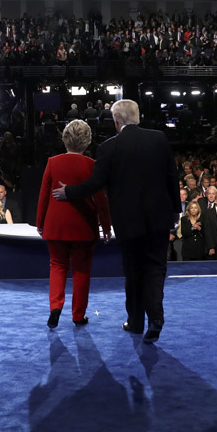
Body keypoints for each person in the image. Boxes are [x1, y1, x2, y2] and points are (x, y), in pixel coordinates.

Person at [53, 99, 180, 343]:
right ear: (137, 117)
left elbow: (95, 184)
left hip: (128, 222)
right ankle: (156, 319)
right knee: (155, 269)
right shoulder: (159, 139)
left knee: (133, 272)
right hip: (159, 218)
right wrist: (175, 209)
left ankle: (135, 323)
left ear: (116, 121)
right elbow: (171, 178)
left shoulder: (109, 147)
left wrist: (69, 192)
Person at [36, 120, 111, 328]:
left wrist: (40, 221)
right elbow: (101, 199)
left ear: (64, 139)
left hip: (56, 223)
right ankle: (78, 315)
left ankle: (55, 308)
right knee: (81, 270)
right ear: (87, 142)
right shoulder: (91, 165)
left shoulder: (53, 162)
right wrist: (106, 226)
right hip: (84, 224)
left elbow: (43, 195)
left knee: (57, 266)